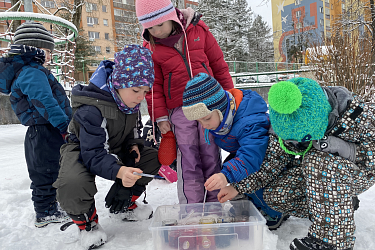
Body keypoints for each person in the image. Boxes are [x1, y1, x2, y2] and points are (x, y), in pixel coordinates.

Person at [218, 77, 375, 250]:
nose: (294, 145)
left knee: (316, 160)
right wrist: (239, 186)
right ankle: (338, 208)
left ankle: (331, 242)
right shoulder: (286, 122)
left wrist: (348, 150)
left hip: (360, 170)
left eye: (300, 140)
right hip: (322, 177)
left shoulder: (358, 115)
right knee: (275, 195)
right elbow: (273, 160)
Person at [53, 45, 161, 250]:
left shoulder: (129, 101)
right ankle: (88, 224)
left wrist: (134, 146)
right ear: (118, 83)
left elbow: (133, 131)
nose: (141, 97)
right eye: (136, 90)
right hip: (83, 149)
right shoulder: (92, 108)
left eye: (146, 91)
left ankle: (125, 204)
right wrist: (120, 171)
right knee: (72, 181)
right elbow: (93, 153)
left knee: (150, 158)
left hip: (115, 145)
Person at [135, 0, 234, 204]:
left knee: (210, 154)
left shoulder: (198, 30)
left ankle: (215, 205)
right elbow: (154, 87)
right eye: (150, 27)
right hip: (179, 110)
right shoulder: (151, 48)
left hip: (209, 106)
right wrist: (160, 117)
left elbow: (218, 65)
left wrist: (229, 96)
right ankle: (192, 209)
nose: (156, 31)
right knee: (188, 158)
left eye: (160, 24)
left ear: (171, 17)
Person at [181, 72, 288, 230]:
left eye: (206, 119)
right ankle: (252, 202)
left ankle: (274, 211)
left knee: (240, 171)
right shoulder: (224, 118)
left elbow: (252, 156)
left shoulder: (249, 121)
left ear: (220, 109)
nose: (203, 125)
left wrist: (226, 176)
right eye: (199, 121)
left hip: (271, 164)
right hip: (252, 158)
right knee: (231, 165)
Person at [0, 21, 72, 228]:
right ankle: (45, 212)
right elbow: (45, 102)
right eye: (48, 50)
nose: (50, 55)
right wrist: (64, 126)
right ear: (34, 48)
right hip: (45, 130)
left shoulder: (29, 70)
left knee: (48, 169)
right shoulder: (32, 72)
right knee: (46, 171)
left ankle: (49, 207)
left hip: (42, 130)